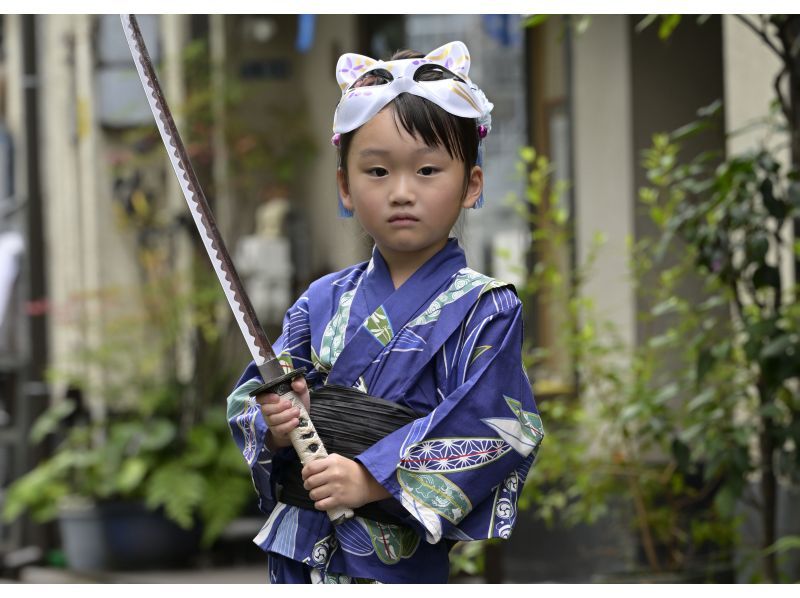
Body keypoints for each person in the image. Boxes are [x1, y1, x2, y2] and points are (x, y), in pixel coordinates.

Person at [226, 41, 543, 584]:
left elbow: (498, 423)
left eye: (426, 170)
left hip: (397, 551)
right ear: (345, 187)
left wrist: (372, 478)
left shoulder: (486, 308)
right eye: (376, 172)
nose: (401, 192)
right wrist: (276, 423)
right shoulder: (320, 301)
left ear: (472, 184)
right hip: (302, 545)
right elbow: (253, 396)